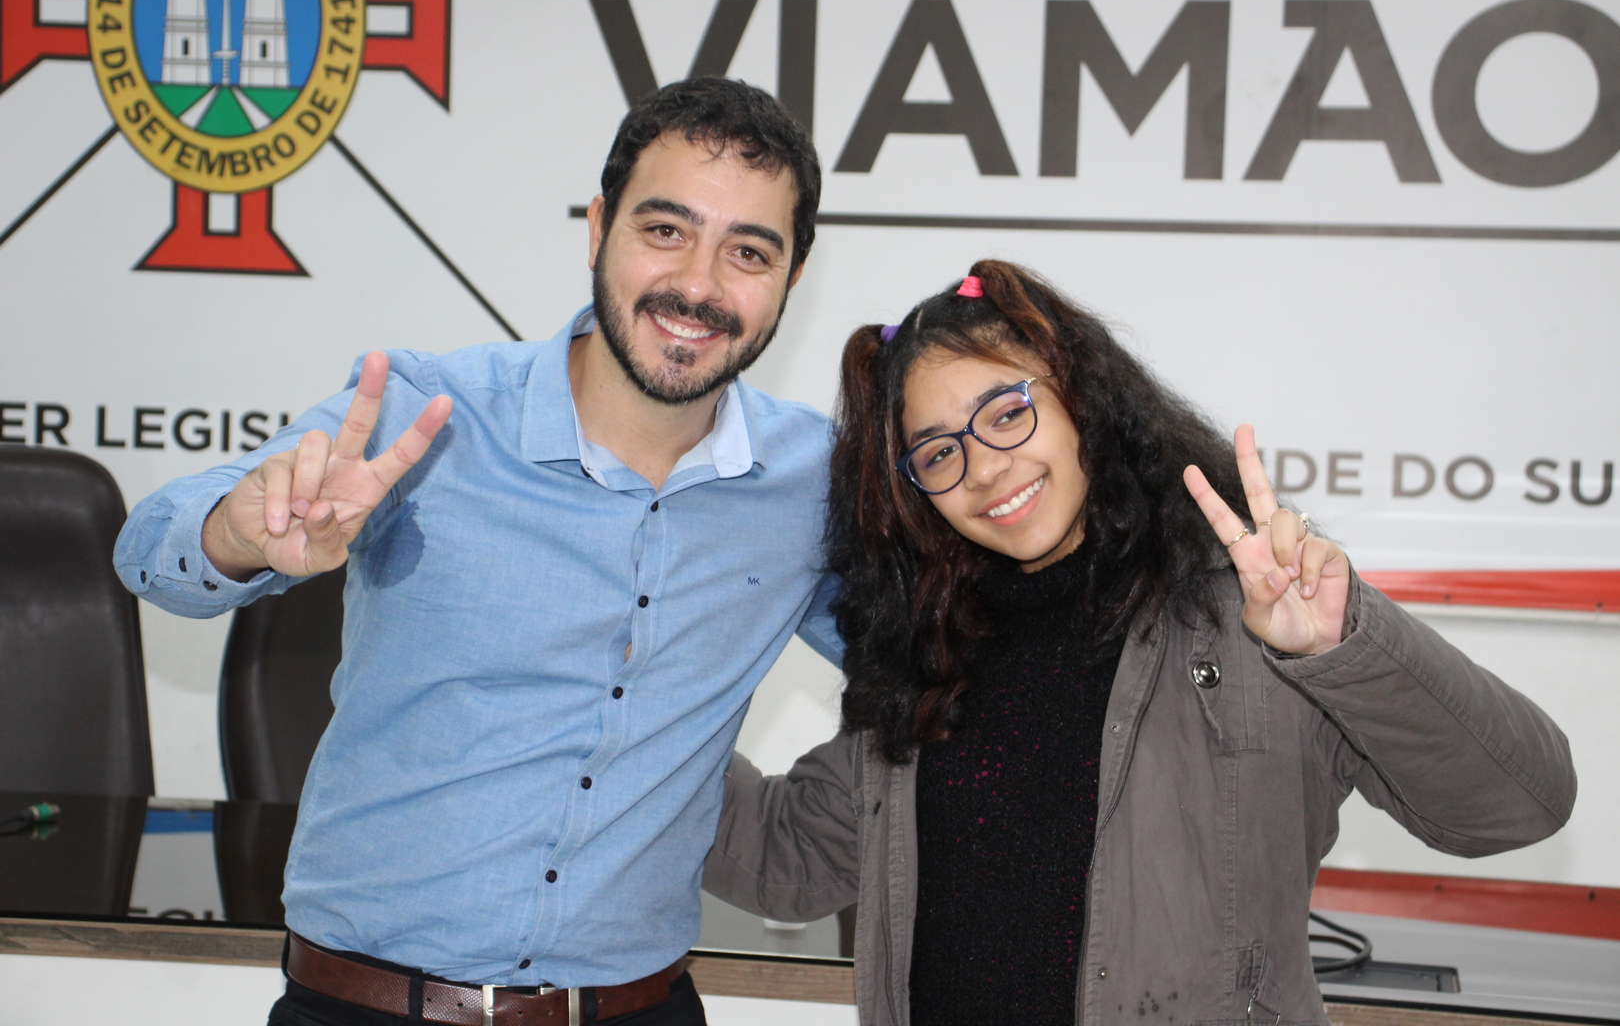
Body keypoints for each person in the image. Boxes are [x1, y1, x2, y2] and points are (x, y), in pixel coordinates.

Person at [114, 78, 839, 1026]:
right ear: (598, 229)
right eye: (665, 230)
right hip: (367, 1007)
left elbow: (943, 654)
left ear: (792, 275)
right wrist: (235, 535)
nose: (698, 285)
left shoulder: (815, 485)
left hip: (639, 1007)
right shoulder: (426, 415)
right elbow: (150, 549)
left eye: (748, 251)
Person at [702, 260, 1576, 1025]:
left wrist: (1340, 648)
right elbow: (788, 861)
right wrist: (650, 708)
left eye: (1005, 413)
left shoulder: (1258, 622)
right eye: (937, 454)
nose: (985, 468)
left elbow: (1520, 803)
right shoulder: (930, 661)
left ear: (1079, 394)